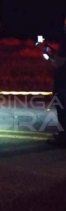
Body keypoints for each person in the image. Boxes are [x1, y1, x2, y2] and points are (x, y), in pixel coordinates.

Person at [46, 17, 66, 147]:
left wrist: (49, 57)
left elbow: (59, 63)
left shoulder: (65, 42)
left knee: (62, 109)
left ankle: (63, 138)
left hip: (63, 81)